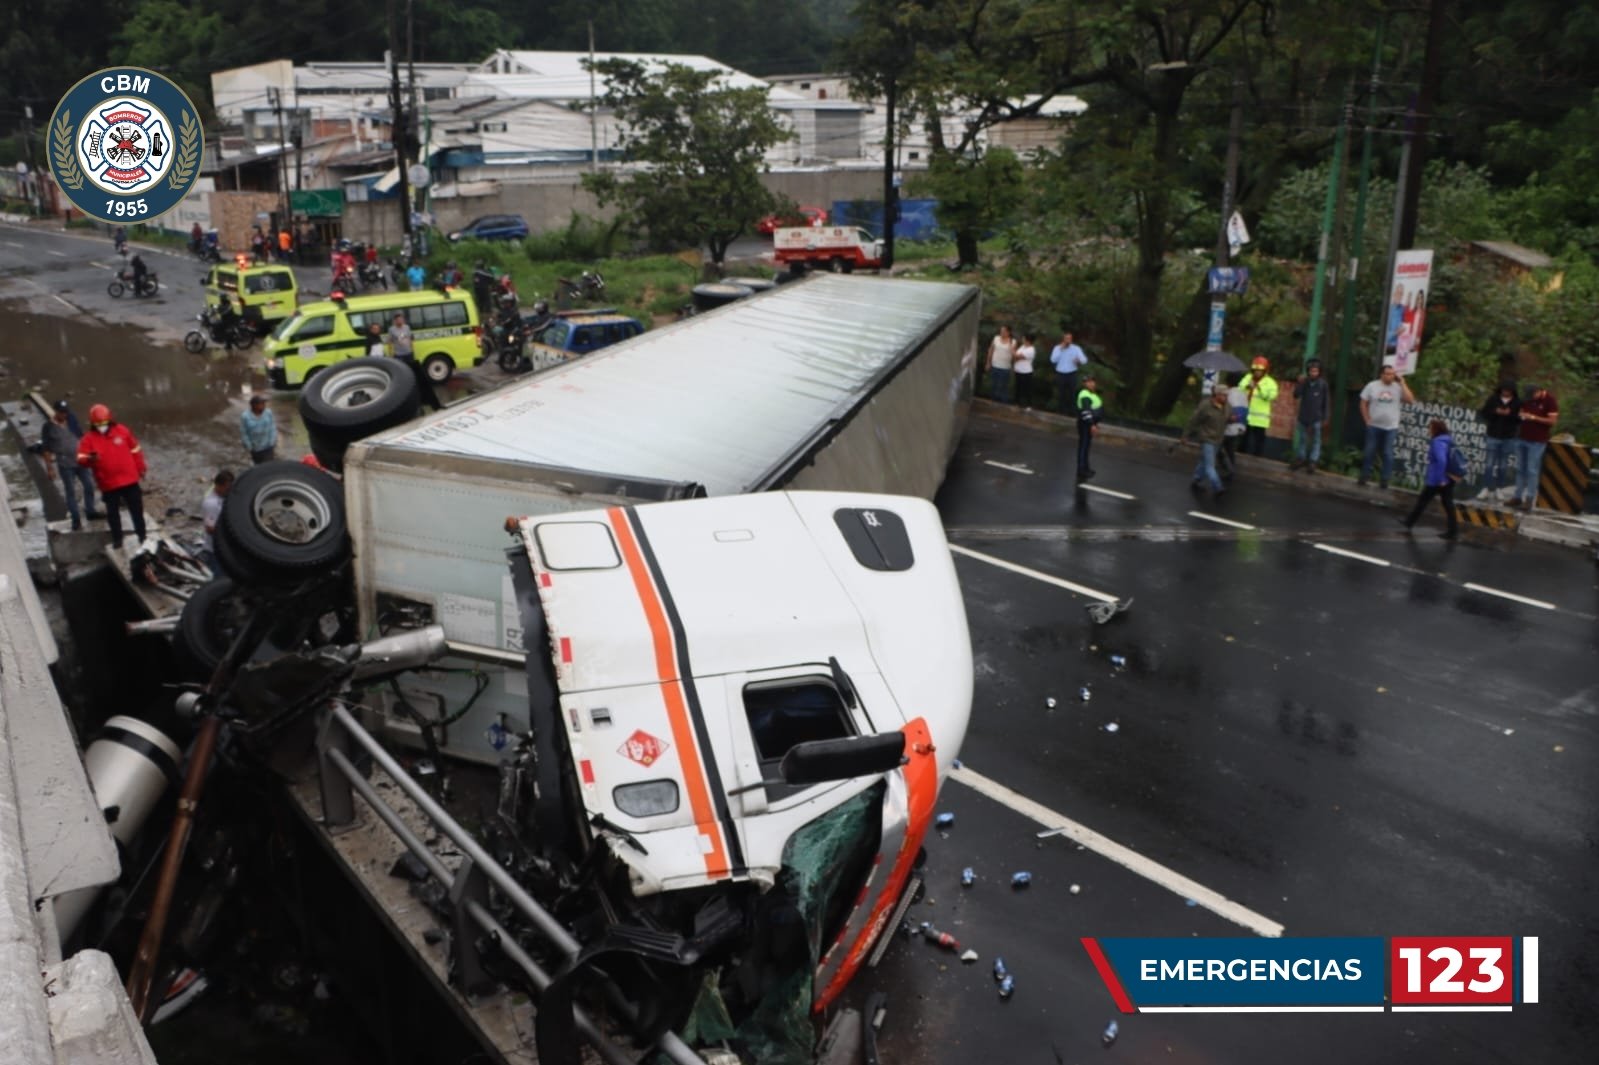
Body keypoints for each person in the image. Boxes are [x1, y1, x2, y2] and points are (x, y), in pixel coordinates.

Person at [75, 404, 147, 551]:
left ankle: (142, 535)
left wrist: (141, 467)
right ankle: (117, 540)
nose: (102, 427)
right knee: (113, 514)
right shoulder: (88, 439)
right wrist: (89, 459)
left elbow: (135, 449)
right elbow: (80, 458)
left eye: (104, 424)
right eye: (98, 424)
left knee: (137, 510)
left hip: (129, 479)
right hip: (108, 483)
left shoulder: (122, 431)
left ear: (109, 420)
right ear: (93, 424)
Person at [40, 400, 103, 530]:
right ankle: (76, 519)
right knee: (70, 492)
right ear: (56, 412)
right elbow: (45, 449)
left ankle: (90, 511)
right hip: (65, 464)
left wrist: (90, 452)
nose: (64, 415)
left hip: (81, 460)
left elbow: (82, 436)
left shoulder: (72, 419)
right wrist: (50, 468)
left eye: (66, 412)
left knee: (89, 485)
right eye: (62, 412)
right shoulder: (48, 428)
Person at [1401, 418, 1461, 539]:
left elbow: (1441, 460)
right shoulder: (1448, 440)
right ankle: (1452, 531)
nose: (1428, 430)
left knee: (1424, 501)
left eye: (1430, 428)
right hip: (1448, 478)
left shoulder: (1438, 442)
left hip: (1438, 479)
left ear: (1435, 429)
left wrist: (1440, 479)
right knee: (1447, 504)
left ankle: (1409, 522)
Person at [1357, 362, 1415, 488]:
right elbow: (1363, 403)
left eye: (1393, 374)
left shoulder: (1398, 387)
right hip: (1374, 425)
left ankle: (1384, 479)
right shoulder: (1372, 386)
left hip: (1391, 427)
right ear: (1381, 374)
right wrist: (1366, 419)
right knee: (1369, 451)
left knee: (1388, 453)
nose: (1391, 377)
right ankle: (1364, 476)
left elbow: (1410, 400)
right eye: (1388, 374)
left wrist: (1403, 383)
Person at [1511, 384, 1560, 510]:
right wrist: (1521, 414)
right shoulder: (1528, 400)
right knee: (1520, 468)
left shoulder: (1550, 400)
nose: (1530, 398)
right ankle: (1517, 496)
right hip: (1522, 437)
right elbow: (1520, 411)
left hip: (1537, 441)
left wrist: (1533, 417)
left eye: (1532, 396)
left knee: (1532, 470)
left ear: (1539, 391)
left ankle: (1529, 498)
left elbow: (1552, 421)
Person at [1180, 383, 1231, 496]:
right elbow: (1194, 420)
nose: (1225, 398)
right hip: (1207, 439)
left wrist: (1232, 419)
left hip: (1218, 439)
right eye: (1223, 395)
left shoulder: (1227, 406)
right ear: (1216, 395)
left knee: (1204, 461)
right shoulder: (1206, 406)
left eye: (1226, 395)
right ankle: (1218, 487)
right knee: (1210, 466)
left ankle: (1196, 479)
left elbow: (1227, 418)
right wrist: (1185, 435)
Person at [1477, 381, 1520, 502]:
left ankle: (1499, 488)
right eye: (1503, 390)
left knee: (1503, 465)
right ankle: (1486, 487)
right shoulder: (1493, 399)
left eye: (1508, 391)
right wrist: (1495, 412)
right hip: (1493, 435)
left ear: (1512, 392)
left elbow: (1520, 419)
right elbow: (1483, 413)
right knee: (1489, 464)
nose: (1505, 393)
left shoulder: (1517, 403)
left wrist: (1509, 414)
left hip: (1508, 437)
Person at [1289, 359, 1329, 472]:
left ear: (1319, 372)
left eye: (1316, 371)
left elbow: (1325, 402)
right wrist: (1299, 383)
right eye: (1311, 371)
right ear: (1308, 372)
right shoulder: (1305, 382)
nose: (1313, 373)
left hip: (1316, 417)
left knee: (1316, 440)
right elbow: (1296, 395)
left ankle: (1313, 461)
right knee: (1302, 439)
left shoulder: (1322, 384)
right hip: (1303, 416)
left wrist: (1325, 417)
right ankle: (1301, 458)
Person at [1241, 356, 1278, 456]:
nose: (1257, 372)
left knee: (1259, 441)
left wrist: (1259, 388)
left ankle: (1257, 459)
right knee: (1243, 439)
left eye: (1260, 370)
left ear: (1265, 371)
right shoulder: (1248, 377)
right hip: (1246, 414)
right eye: (1255, 370)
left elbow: (1271, 396)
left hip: (1260, 419)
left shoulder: (1270, 383)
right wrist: (1247, 386)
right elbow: (1240, 388)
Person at [199, 469, 234, 573]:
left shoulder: (224, 496)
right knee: (219, 579)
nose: (229, 491)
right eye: (227, 489)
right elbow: (210, 529)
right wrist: (231, 531)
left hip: (225, 548)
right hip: (215, 551)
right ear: (218, 485)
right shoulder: (211, 503)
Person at [1050, 331, 1088, 414]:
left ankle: (1071, 412)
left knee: (1072, 393)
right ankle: (1061, 411)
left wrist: (1079, 361)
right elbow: (1053, 360)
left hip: (1072, 373)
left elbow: (1084, 360)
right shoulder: (1057, 348)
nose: (1068, 340)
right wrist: (1061, 349)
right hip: (1060, 373)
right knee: (1061, 393)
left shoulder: (1076, 348)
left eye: (1070, 338)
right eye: (1066, 338)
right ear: (1063, 339)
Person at [1075, 373, 1103, 483]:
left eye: (1093, 381)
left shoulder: (1091, 394)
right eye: (1089, 382)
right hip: (1085, 424)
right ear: (1084, 384)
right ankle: (1081, 469)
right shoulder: (1085, 395)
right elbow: (1086, 412)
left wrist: (1095, 423)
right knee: (1084, 446)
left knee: (1086, 446)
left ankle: (1086, 468)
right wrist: (1092, 424)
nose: (1091, 383)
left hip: (1089, 424)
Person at [240, 394, 277, 464]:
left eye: (264, 403)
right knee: (258, 466)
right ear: (254, 405)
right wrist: (249, 446)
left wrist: (272, 442)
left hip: (268, 447)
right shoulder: (245, 417)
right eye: (261, 404)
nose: (264, 405)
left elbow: (273, 427)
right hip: (255, 448)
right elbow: (244, 433)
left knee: (269, 465)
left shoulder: (268, 413)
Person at [985, 325, 1016, 403]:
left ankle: (1003, 402)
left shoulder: (1013, 341)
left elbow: (1014, 355)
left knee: (1003, 386)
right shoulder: (996, 338)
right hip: (995, 365)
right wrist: (988, 362)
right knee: (993, 384)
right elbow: (991, 350)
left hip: (1005, 367)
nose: (1002, 332)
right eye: (1001, 331)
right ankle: (992, 400)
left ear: (1008, 332)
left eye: (1004, 331)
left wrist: (1013, 366)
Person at [1013, 333, 1037, 409]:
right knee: (1018, 388)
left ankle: (1028, 405)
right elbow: (1016, 357)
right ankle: (1017, 404)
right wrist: (1016, 355)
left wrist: (1012, 350)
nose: (1022, 340)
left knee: (1026, 389)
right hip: (1018, 371)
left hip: (1026, 372)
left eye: (1024, 338)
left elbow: (1018, 356)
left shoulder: (1031, 349)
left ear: (1028, 340)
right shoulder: (1022, 347)